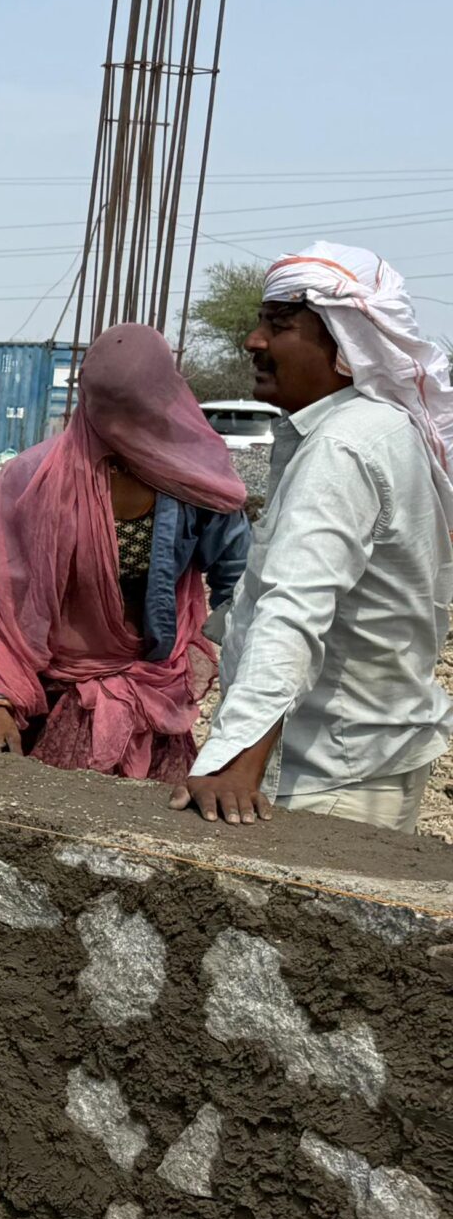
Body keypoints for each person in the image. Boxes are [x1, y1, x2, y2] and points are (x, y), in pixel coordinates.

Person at [175, 244, 453, 830]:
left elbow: (295, 608)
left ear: (347, 348)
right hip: (373, 756)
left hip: (328, 775)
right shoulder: (381, 429)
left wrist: (235, 762)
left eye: (279, 326)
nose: (253, 341)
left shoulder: (341, 447)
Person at [0, 322, 250, 780]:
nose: (120, 426)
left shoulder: (193, 481)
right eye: (109, 409)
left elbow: (241, 586)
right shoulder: (34, 480)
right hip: (54, 700)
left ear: (165, 399)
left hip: (152, 699)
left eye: (134, 410)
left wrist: (248, 699)